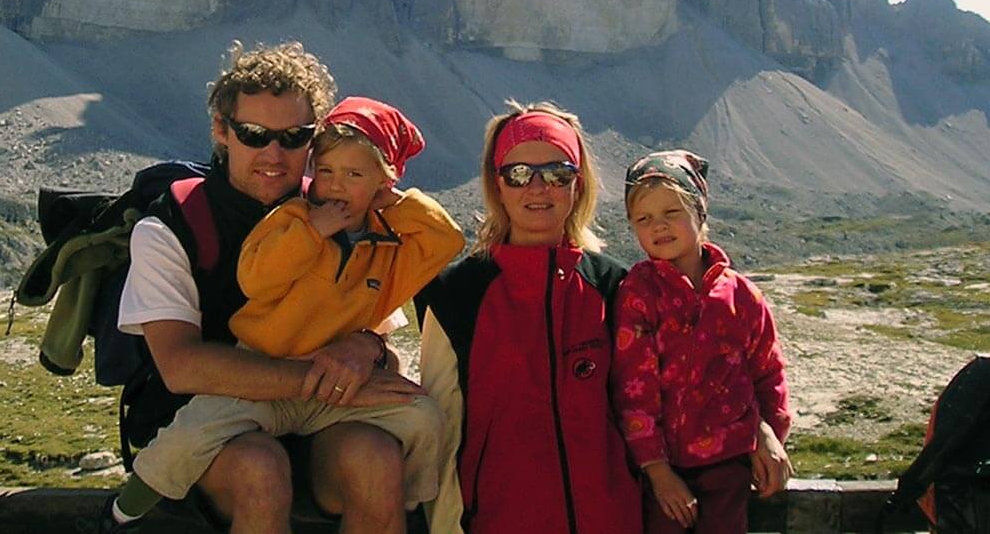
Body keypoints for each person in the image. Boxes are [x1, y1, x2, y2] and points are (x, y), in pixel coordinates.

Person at [111, 42, 427, 534]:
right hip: (202, 421)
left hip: (317, 419)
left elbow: (378, 332)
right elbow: (180, 365)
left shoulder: (339, 210)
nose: (274, 156)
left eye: (294, 136)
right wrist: (317, 382)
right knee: (261, 472)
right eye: (254, 135)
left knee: (376, 461)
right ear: (222, 130)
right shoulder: (171, 225)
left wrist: (365, 347)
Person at [415, 102, 643, 534]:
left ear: (578, 184)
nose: (538, 188)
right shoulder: (455, 295)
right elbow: (440, 433)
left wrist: (758, 427)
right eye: (519, 174)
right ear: (496, 184)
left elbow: (652, 405)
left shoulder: (615, 287)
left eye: (558, 173)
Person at [611, 150, 793, 534]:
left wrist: (770, 439)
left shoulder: (741, 295)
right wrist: (657, 471)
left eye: (672, 212)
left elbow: (768, 373)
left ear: (699, 212)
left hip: (729, 466)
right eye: (643, 219)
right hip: (660, 474)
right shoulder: (638, 295)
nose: (658, 226)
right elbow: (633, 390)